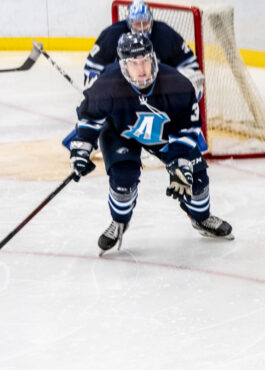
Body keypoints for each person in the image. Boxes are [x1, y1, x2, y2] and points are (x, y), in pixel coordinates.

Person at [66, 32, 233, 255]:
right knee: (123, 179)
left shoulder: (178, 84)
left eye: (145, 60)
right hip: (121, 132)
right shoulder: (107, 84)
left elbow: (189, 126)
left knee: (196, 180)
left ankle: (201, 219)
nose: (142, 68)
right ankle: (119, 222)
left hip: (165, 134)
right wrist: (81, 150)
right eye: (134, 63)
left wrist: (180, 162)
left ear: (153, 58)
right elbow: (89, 118)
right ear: (124, 65)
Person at [82, 0, 202, 96]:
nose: (141, 28)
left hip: (160, 93)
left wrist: (188, 83)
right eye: (136, 23)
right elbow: (93, 66)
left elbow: (188, 64)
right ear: (128, 22)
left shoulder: (166, 35)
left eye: (145, 22)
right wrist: (95, 88)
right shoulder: (111, 35)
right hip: (122, 94)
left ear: (151, 20)